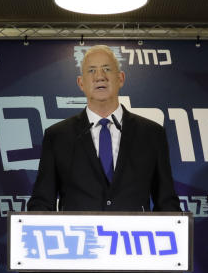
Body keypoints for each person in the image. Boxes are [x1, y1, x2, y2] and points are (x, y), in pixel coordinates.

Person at [27, 45, 181, 212]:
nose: (100, 76)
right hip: (78, 237)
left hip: (133, 237)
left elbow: (166, 203)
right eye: (91, 70)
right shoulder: (57, 136)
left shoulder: (152, 134)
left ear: (121, 78)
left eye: (107, 69)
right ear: (81, 83)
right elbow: (41, 203)